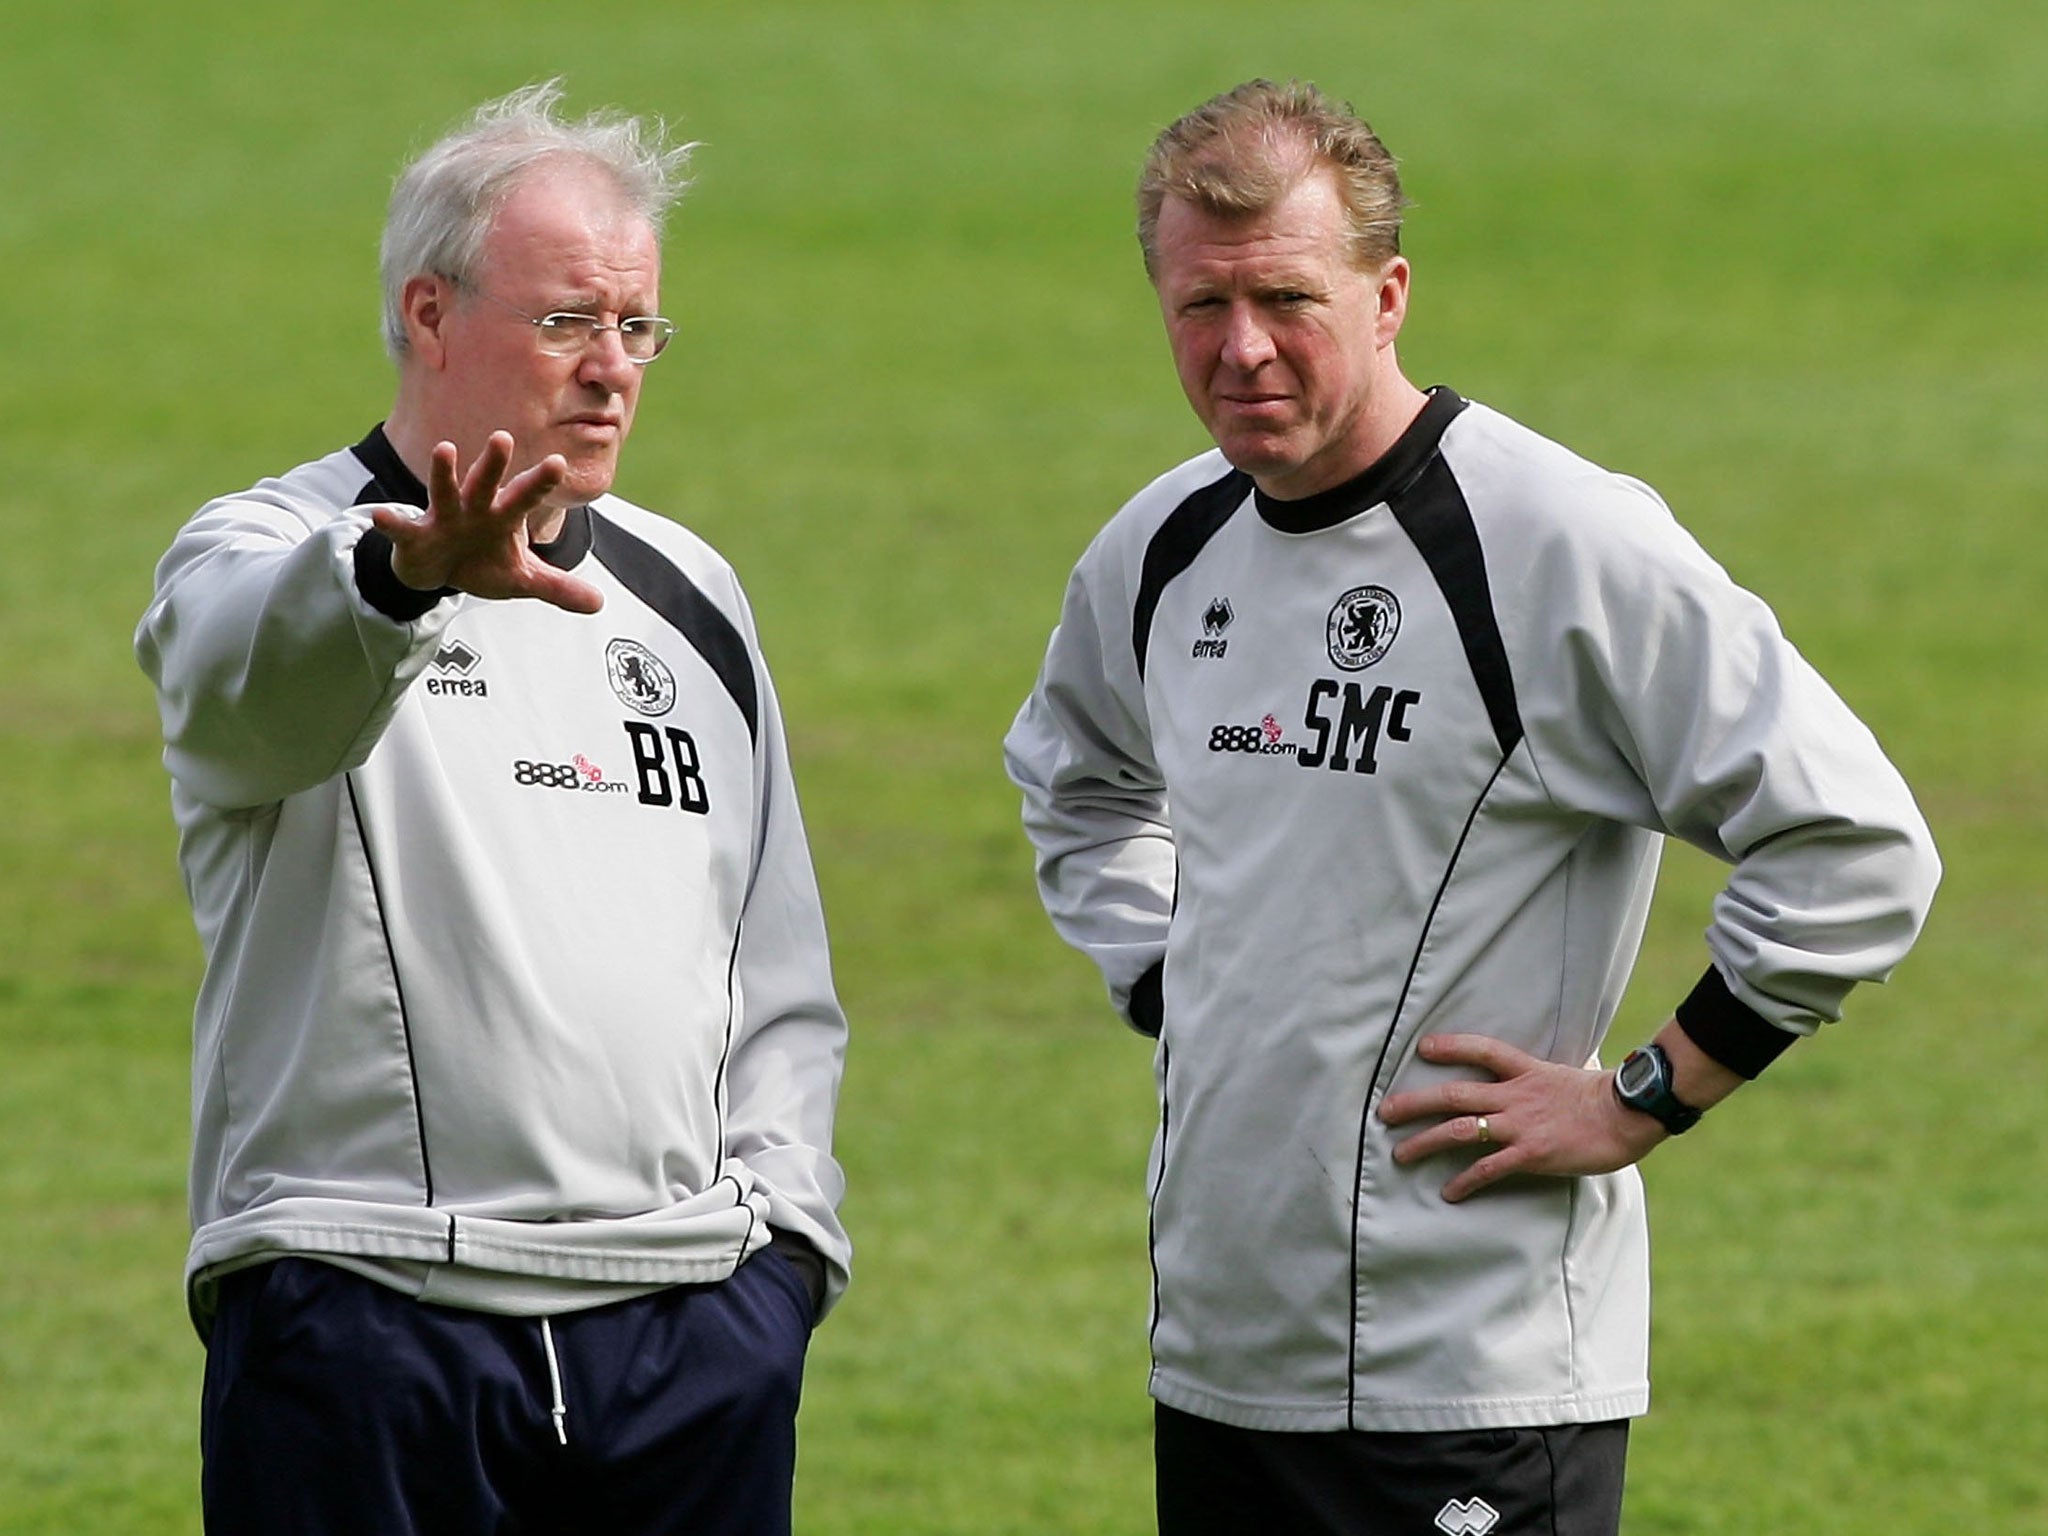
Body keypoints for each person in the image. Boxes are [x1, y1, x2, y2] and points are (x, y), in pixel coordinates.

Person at [1003, 79, 1939, 1535]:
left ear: (1388, 296)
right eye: (1200, 305)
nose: (1241, 349)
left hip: (1478, 1385)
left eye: (1285, 299)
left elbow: (1856, 844)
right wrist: (1170, 980)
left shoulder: (1559, 543)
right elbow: (1077, 782)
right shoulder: (1163, 546)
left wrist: (1650, 1093)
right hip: (1223, 1358)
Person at [136, 81, 849, 1536]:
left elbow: (773, 972)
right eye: (568, 322)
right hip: (369, 1319)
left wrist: (781, 1261)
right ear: (429, 313)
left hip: (687, 1337)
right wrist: (407, 581)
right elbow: (251, 691)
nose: (613, 371)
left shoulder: (690, 594)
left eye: (637, 327)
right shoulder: (272, 548)